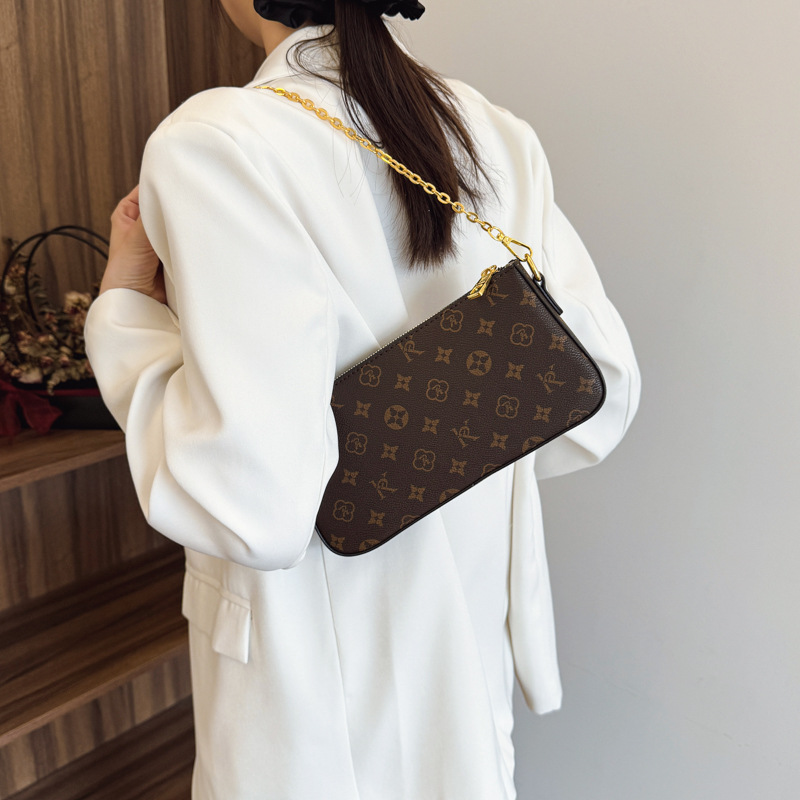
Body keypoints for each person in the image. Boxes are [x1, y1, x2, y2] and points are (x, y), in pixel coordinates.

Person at [85, 1, 641, 798]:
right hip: (468, 628)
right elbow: (601, 393)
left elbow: (247, 506)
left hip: (315, 678)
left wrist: (126, 314)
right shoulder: (490, 129)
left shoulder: (219, 141)